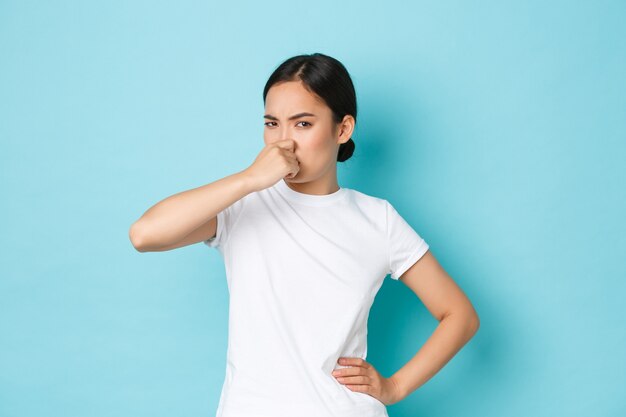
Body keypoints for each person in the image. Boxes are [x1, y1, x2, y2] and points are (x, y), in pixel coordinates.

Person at [129, 52, 480, 417]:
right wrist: (249, 180)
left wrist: (395, 386)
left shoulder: (378, 220)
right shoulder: (244, 204)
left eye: (302, 124)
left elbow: (459, 315)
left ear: (342, 129)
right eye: (271, 123)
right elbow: (145, 234)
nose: (283, 142)